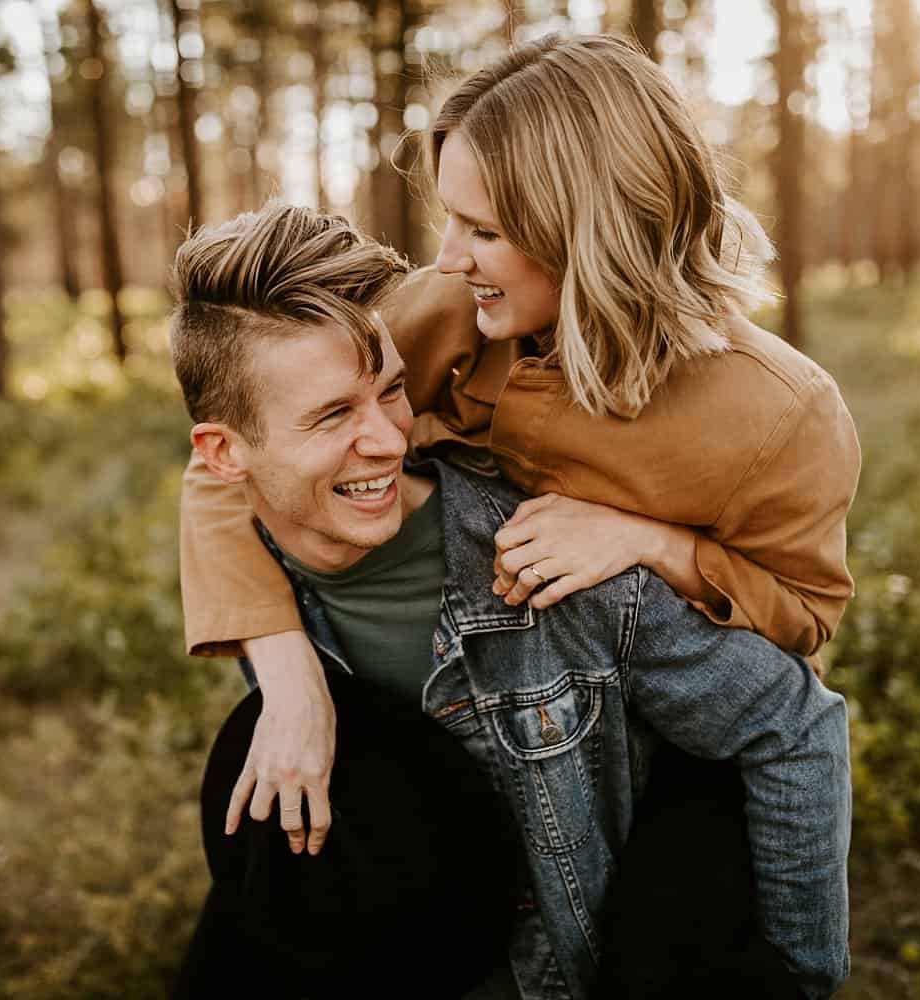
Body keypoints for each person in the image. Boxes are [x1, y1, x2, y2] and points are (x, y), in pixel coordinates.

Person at [175, 28, 859, 919]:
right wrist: (290, 675)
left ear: (595, 231)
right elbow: (236, 457)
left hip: (673, 759)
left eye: (485, 230)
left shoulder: (780, 412)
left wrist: (650, 539)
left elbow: (803, 614)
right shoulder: (442, 312)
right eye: (450, 219)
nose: (449, 256)